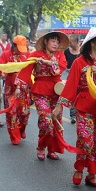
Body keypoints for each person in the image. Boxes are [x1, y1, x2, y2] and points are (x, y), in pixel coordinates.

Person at [54, 27, 96, 188]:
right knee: (85, 140)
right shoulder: (79, 62)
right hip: (84, 106)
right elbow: (70, 86)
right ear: (92, 43)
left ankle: (91, 174)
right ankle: (79, 169)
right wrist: (59, 106)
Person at [29, 31, 68, 160]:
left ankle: (52, 149)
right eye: (53, 40)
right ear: (45, 41)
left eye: (57, 42)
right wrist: (19, 87)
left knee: (56, 120)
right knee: (46, 121)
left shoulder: (60, 55)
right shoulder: (35, 55)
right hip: (40, 91)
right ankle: (41, 146)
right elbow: (26, 70)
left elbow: (60, 69)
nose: (56, 44)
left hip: (56, 91)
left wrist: (48, 62)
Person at [0, 36, 33, 145]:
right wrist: (7, 73)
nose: (20, 51)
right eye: (18, 48)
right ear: (14, 45)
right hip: (10, 89)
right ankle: (14, 136)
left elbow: (31, 69)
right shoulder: (6, 54)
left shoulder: (27, 55)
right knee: (12, 113)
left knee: (24, 113)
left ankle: (22, 129)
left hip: (23, 88)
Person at [63, 35, 81, 125]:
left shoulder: (82, 51)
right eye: (69, 42)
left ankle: (80, 113)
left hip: (81, 77)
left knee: (80, 95)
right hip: (70, 76)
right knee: (72, 95)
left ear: (76, 41)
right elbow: (64, 63)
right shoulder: (67, 52)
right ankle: (73, 115)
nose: (70, 44)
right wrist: (68, 69)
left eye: (71, 42)